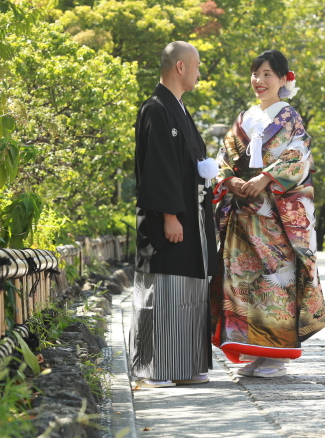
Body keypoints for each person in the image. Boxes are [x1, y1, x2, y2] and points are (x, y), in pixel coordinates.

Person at [210, 50, 325, 379]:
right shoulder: (245, 118)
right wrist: (230, 180)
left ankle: (277, 356)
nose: (259, 81)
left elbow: (299, 156)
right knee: (243, 282)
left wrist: (265, 178)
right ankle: (256, 352)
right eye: (255, 74)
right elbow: (223, 156)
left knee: (274, 282)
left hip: (275, 216)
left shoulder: (289, 117)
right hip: (243, 213)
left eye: (267, 74)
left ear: (283, 79)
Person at [130, 41, 219, 388]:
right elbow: (158, 166)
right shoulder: (156, 108)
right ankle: (154, 367)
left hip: (191, 218)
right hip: (169, 219)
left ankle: (185, 365)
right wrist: (169, 214)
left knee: (189, 293)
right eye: (196, 66)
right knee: (164, 290)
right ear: (180, 67)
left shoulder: (178, 107)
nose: (199, 73)